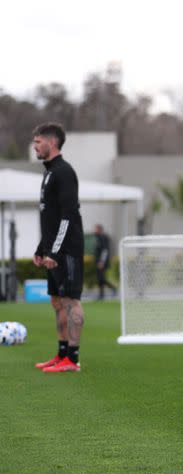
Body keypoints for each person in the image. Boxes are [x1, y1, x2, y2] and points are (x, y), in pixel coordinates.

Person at [31, 123, 85, 373]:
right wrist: (42, 248)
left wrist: (55, 251)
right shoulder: (49, 172)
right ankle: (61, 353)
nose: (35, 145)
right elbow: (49, 217)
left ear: (52, 143)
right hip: (53, 248)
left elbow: (68, 214)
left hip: (68, 249)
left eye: (38, 141)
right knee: (56, 301)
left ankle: (72, 360)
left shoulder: (64, 172)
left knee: (70, 301)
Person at [93, 224, 117, 300]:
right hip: (98, 262)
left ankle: (110, 290)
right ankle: (102, 294)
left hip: (101, 263)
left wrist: (102, 261)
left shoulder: (103, 238)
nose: (95, 231)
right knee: (100, 278)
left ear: (100, 230)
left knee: (101, 278)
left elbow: (105, 251)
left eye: (96, 229)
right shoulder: (98, 238)